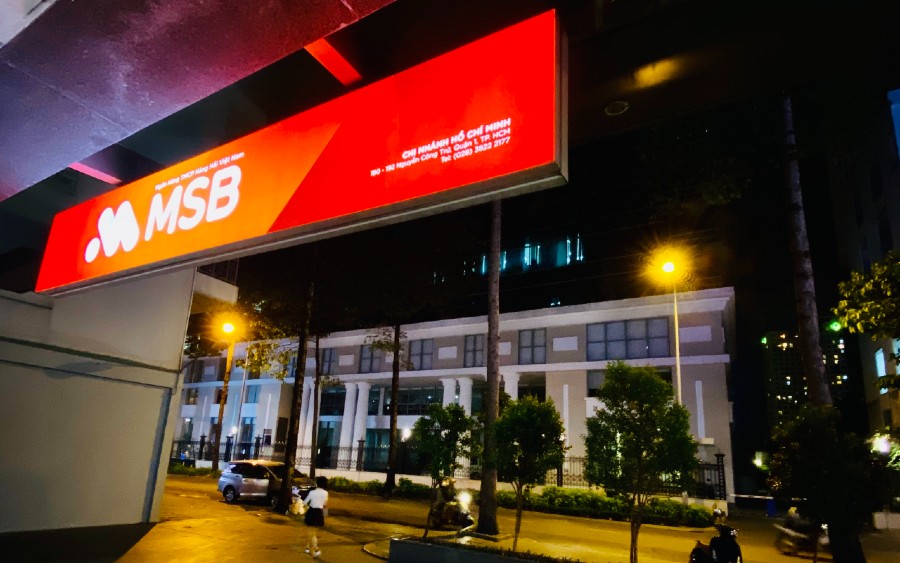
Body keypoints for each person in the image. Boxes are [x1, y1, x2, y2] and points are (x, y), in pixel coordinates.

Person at [303, 476, 328, 558]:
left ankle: (314, 549)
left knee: (311, 532)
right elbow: (325, 505)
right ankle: (308, 548)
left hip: (311, 512)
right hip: (319, 513)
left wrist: (305, 507)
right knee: (313, 532)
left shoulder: (312, 492)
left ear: (317, 483)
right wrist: (325, 515)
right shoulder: (325, 493)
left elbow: (305, 502)